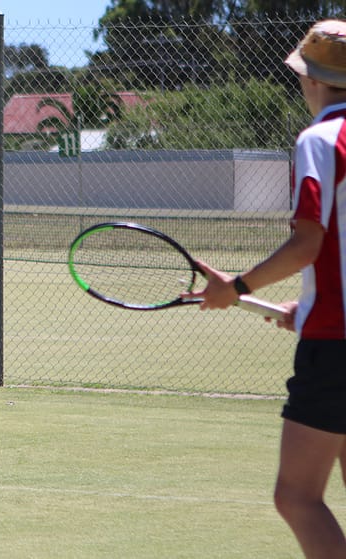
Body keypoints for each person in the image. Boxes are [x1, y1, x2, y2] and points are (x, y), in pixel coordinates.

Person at [186, 20, 346, 558]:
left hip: (336, 350)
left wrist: (236, 287)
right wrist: (310, 305)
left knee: (297, 498)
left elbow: (307, 243)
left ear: (312, 81)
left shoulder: (320, 139)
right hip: (331, 329)